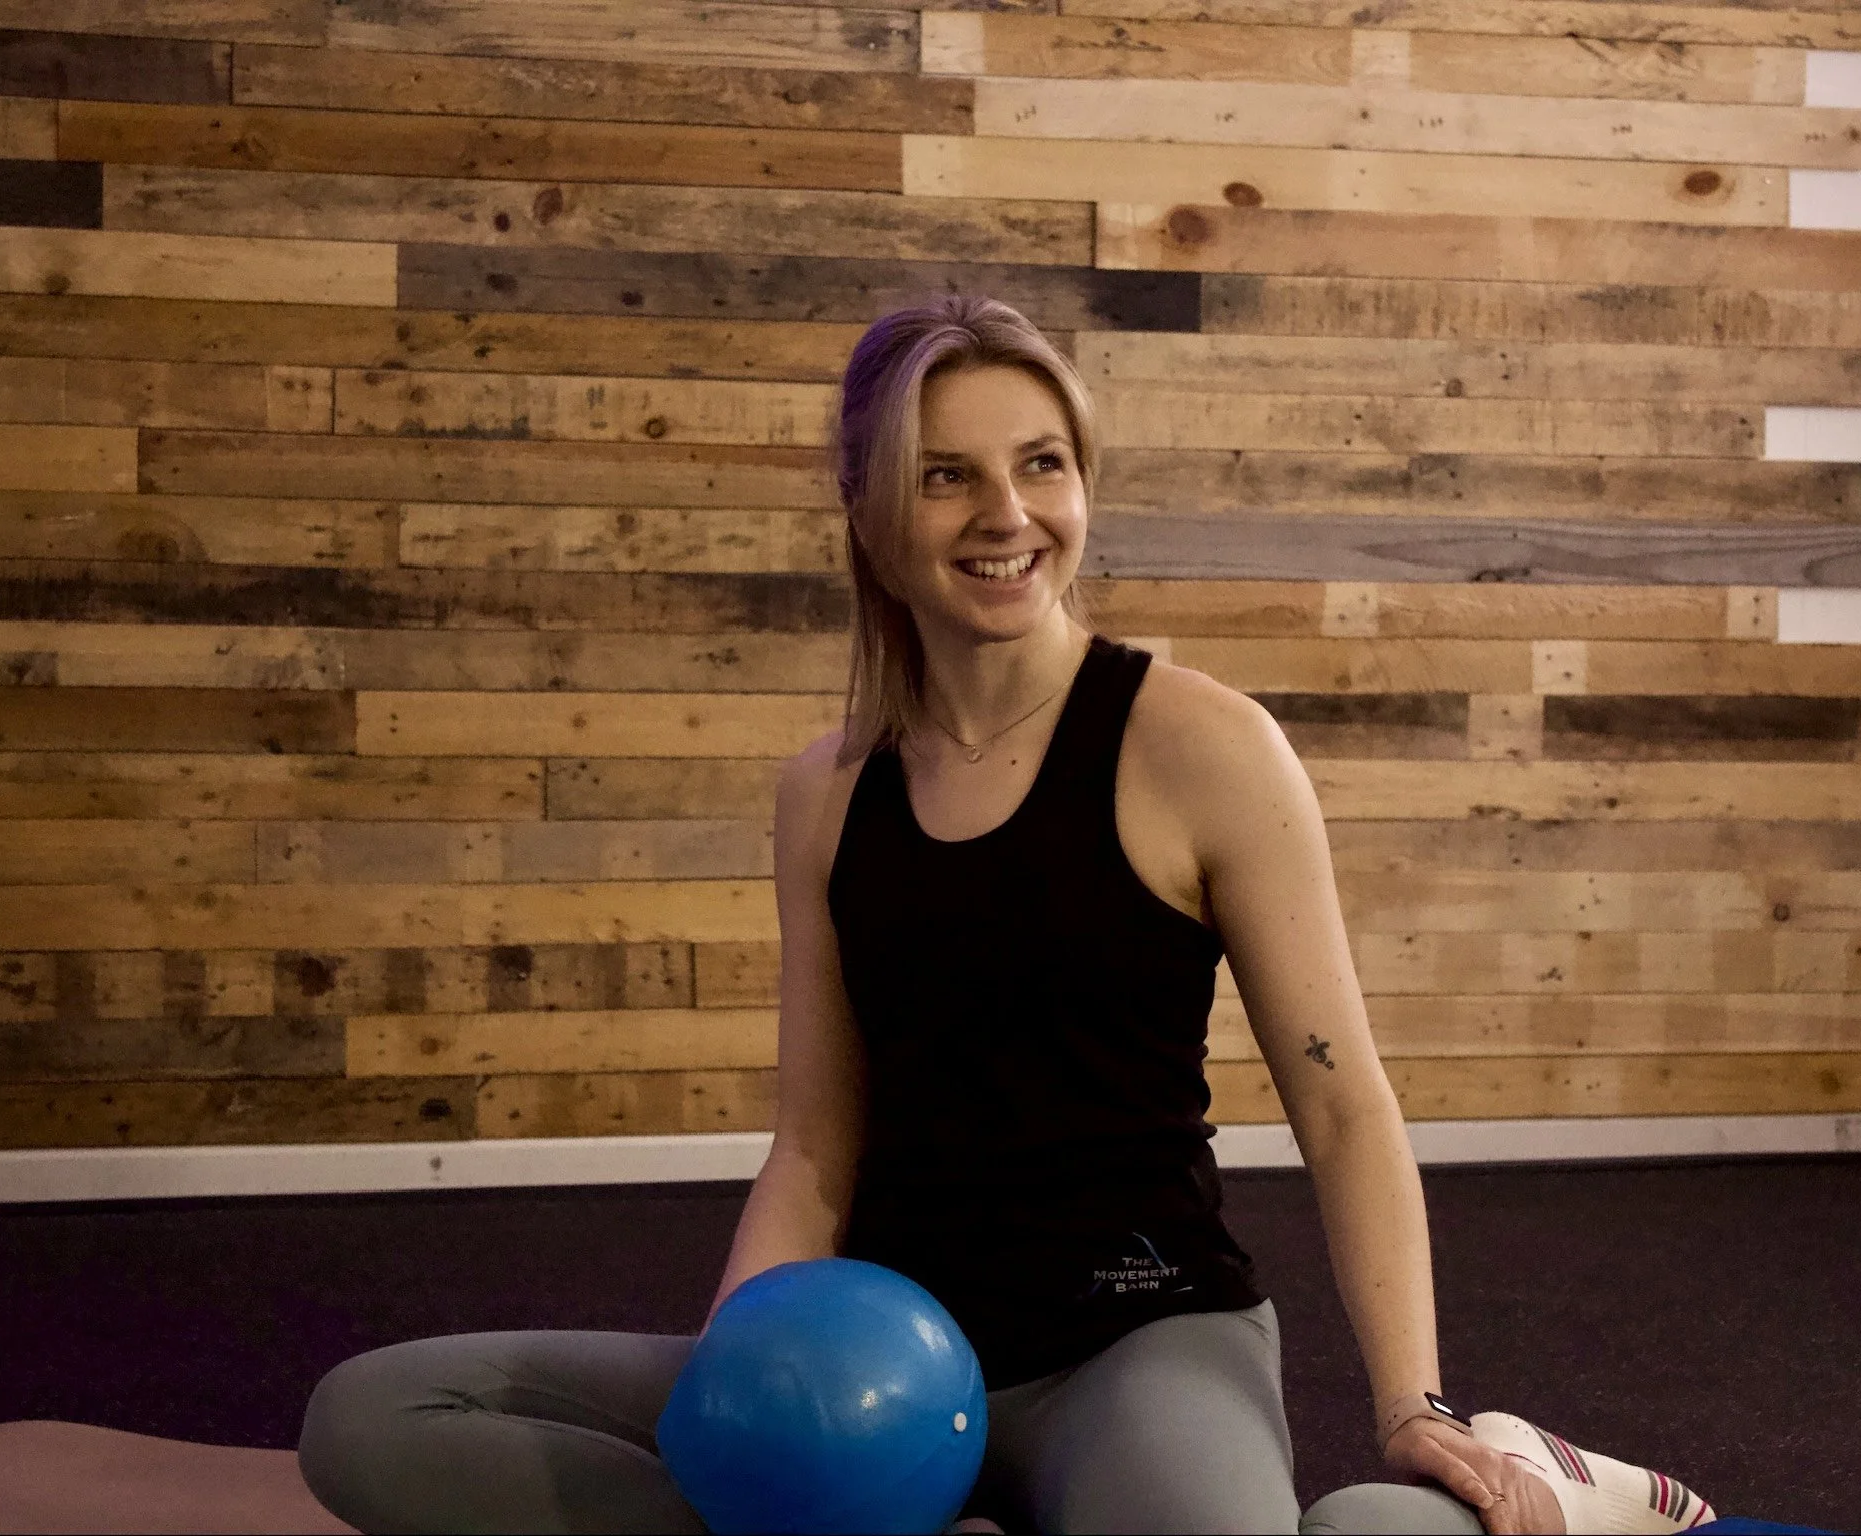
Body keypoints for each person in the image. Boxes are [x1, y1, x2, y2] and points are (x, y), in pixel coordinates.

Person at [291, 297, 1649, 1535]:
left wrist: (1416, 1405)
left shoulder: (1202, 746)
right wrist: (749, 1386)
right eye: (948, 476)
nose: (1007, 514)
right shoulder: (824, 793)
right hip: (872, 1360)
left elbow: (1346, 1111)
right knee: (376, 1419)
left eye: (1040, 463)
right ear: (874, 515)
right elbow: (818, 1149)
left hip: (1132, 1345)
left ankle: (1552, 1502)